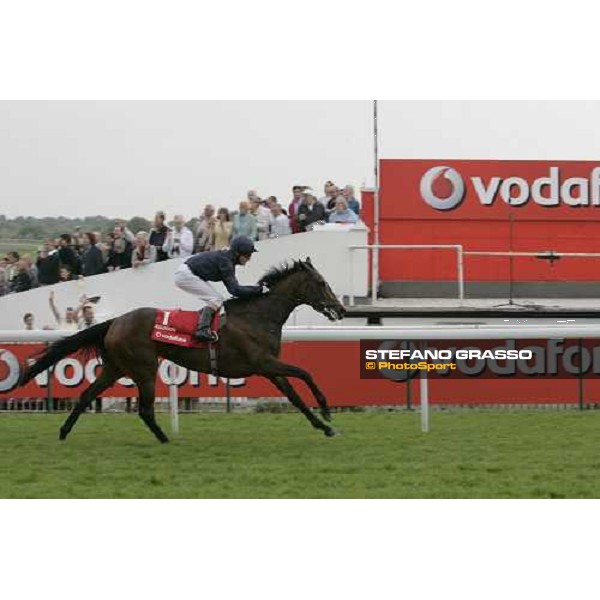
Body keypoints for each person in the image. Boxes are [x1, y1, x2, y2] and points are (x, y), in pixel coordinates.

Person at [174, 236, 265, 341]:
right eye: (248, 255)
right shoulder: (226, 262)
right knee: (216, 299)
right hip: (185, 275)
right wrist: (259, 290)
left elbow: (234, 289)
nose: (249, 259)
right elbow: (235, 290)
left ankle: (201, 322)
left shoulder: (227, 259)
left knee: (216, 299)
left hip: (187, 273)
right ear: (237, 253)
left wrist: (256, 289)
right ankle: (201, 330)